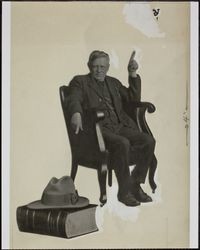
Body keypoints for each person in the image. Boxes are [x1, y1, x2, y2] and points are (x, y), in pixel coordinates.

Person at [67, 50, 156, 207]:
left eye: (102, 66)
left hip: (120, 126)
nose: (99, 70)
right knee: (123, 143)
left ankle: (135, 184)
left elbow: (132, 99)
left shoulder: (113, 83)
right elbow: (74, 97)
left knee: (148, 140)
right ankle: (124, 193)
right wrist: (76, 113)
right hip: (98, 131)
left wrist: (133, 73)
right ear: (89, 66)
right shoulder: (80, 81)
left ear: (108, 67)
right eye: (95, 66)